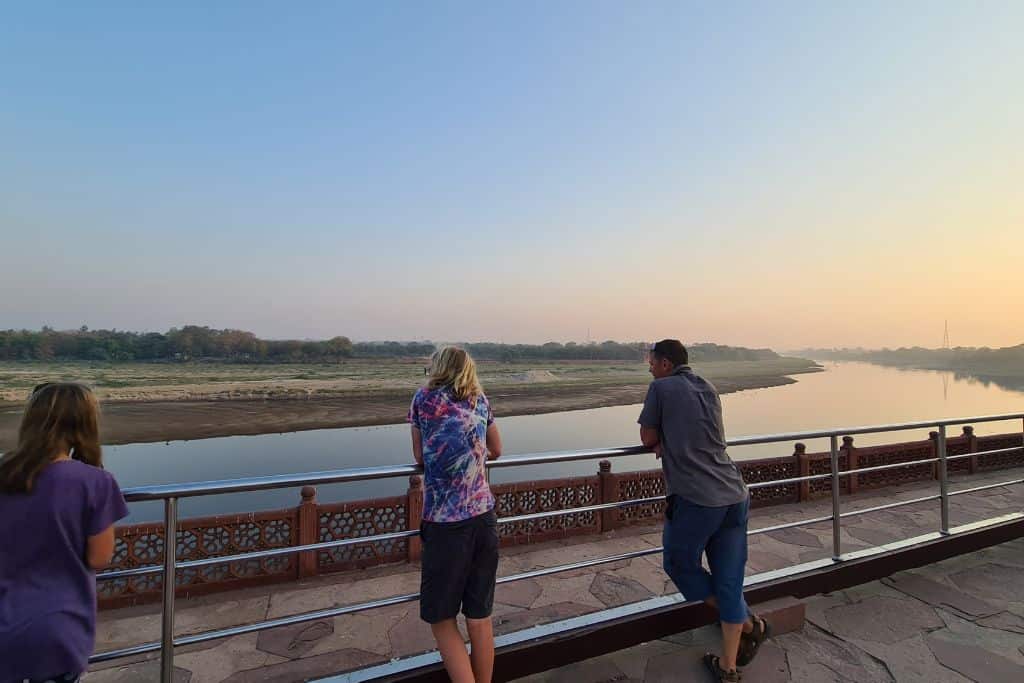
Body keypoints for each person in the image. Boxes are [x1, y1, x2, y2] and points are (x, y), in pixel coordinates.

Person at [638, 340, 769, 682]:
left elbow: (646, 436)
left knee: (679, 564)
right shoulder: (707, 386)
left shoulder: (661, 387)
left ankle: (748, 622)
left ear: (665, 364)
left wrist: (662, 442)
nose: (649, 367)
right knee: (728, 578)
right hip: (733, 492)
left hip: (698, 499)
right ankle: (729, 666)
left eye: (651, 362)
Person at [0, 382, 129, 683]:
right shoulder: (95, 482)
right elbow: (99, 557)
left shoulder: (4, 473)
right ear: (84, 424)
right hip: (57, 628)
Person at [408, 346, 503, 683]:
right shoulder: (479, 399)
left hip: (446, 525)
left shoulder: (423, 399)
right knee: (479, 617)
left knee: (442, 618)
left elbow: (419, 456)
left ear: (438, 368)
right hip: (483, 516)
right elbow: (498, 449)